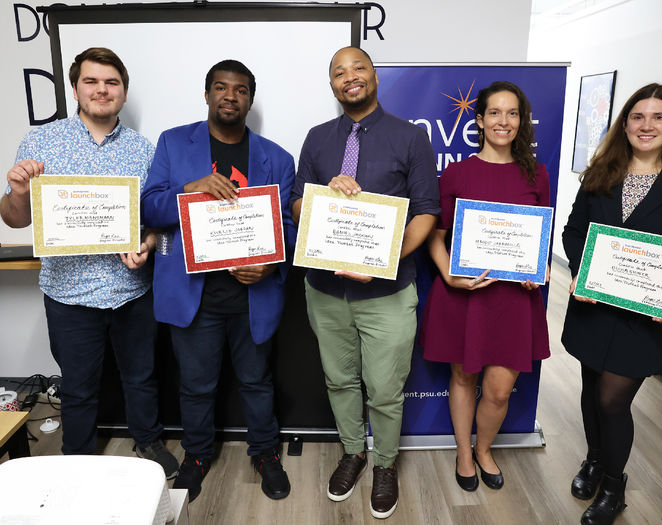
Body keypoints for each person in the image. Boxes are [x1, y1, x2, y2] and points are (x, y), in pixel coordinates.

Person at [0, 47, 178, 477]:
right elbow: (14, 218)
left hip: (131, 290)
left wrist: (150, 243)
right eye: (92, 81)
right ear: (76, 88)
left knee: (142, 377)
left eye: (111, 82)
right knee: (78, 388)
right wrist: (20, 192)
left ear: (124, 91)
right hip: (68, 293)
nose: (102, 90)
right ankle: (76, 457)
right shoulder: (41, 142)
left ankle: (148, 440)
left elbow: (157, 221)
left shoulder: (144, 149)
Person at [291, 46, 440, 519]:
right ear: (331, 84)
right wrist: (323, 195)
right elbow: (296, 205)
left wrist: (383, 259)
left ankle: (385, 464)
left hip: (388, 292)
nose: (349, 77)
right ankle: (353, 452)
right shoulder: (316, 139)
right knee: (339, 380)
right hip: (326, 290)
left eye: (358, 68)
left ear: (374, 76)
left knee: (385, 388)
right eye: (339, 72)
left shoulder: (411, 138)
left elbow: (427, 213)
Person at [141, 59, 294, 503]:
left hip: (253, 293)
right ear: (207, 94)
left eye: (241, 89)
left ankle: (265, 452)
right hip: (193, 293)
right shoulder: (173, 143)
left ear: (249, 99)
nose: (231, 96)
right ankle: (197, 454)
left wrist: (269, 264)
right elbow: (150, 208)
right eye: (222, 88)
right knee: (195, 384)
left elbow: (287, 226)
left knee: (256, 380)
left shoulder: (277, 158)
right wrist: (189, 190)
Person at [561, 83, 662, 525]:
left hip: (646, 316)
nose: (647, 126)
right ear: (625, 124)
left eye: (658, 117)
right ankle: (594, 460)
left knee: (612, 402)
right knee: (589, 391)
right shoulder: (600, 174)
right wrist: (582, 273)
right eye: (638, 117)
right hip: (594, 307)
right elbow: (573, 232)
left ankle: (614, 486)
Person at [419, 81, 551, 492]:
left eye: (513, 113)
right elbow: (435, 235)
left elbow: (540, 241)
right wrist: (447, 274)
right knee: (462, 377)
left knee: (497, 390)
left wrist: (539, 268)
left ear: (521, 122)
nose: (504, 121)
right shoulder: (457, 173)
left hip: (513, 300)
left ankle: (485, 448)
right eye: (495, 112)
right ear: (479, 120)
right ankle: (464, 451)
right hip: (466, 296)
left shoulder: (537, 173)